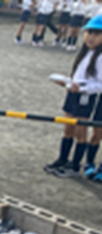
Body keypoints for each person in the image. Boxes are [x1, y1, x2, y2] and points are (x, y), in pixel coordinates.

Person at [44, 15, 102, 178]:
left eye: (96, 34)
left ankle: (75, 166)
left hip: (84, 97)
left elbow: (100, 84)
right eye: (88, 33)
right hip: (73, 94)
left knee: (79, 131)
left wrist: (81, 88)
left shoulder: (100, 57)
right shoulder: (85, 52)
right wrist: (68, 82)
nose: (90, 37)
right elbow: (81, 77)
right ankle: (63, 159)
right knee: (67, 128)